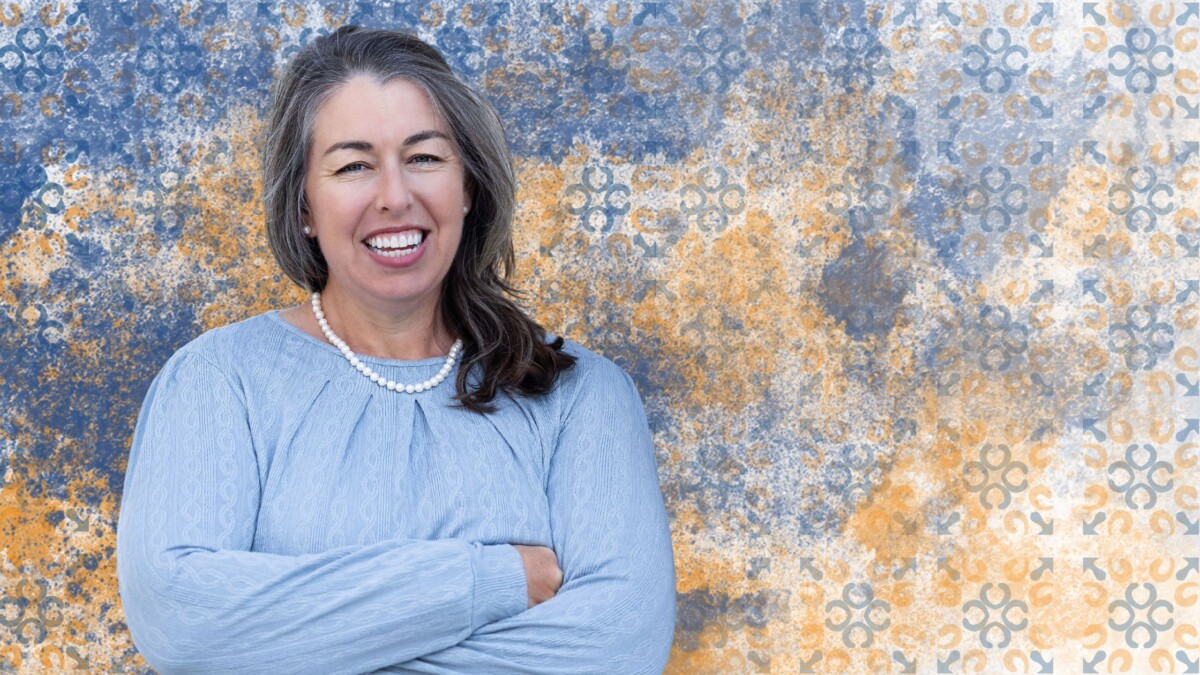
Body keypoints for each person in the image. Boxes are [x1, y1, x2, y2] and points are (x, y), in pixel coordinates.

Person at [116, 25, 676, 674]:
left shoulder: (582, 396)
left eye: (425, 158)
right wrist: (489, 580)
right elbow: (184, 625)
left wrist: (302, 644)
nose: (395, 196)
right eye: (354, 165)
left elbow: (618, 649)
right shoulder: (215, 382)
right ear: (304, 205)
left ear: (468, 186)